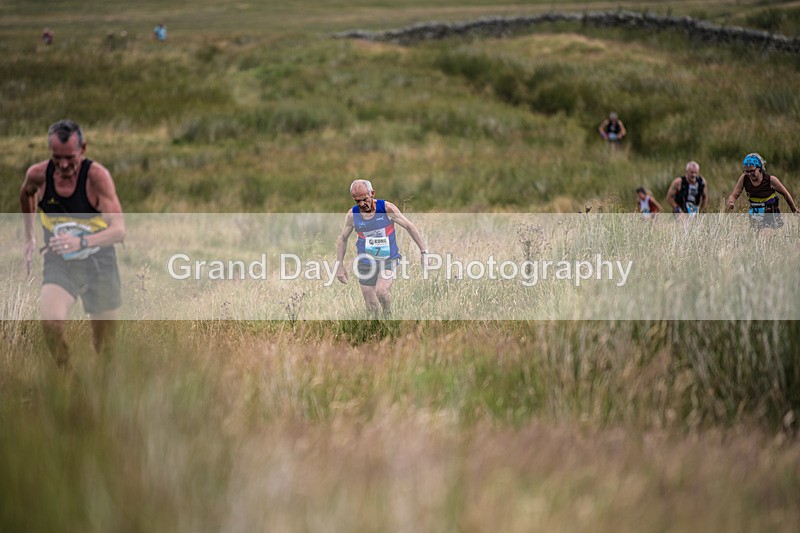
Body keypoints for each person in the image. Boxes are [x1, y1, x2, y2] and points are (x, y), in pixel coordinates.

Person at [20, 120, 126, 368]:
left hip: (99, 261)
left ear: (83, 149)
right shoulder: (38, 175)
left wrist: (81, 241)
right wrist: (29, 237)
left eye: (69, 157)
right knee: (51, 325)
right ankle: (69, 378)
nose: (63, 165)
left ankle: (103, 392)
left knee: (106, 346)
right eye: (57, 158)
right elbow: (26, 193)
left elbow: (119, 230)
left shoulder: (97, 177)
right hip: (60, 261)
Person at [335, 180, 428, 318]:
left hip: (388, 259)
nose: (361, 204)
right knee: (371, 306)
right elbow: (343, 238)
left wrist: (424, 252)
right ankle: (377, 330)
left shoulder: (386, 208)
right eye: (357, 201)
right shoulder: (352, 215)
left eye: (365, 199)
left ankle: (388, 316)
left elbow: (409, 226)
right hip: (365, 262)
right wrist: (340, 265)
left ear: (372, 194)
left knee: (382, 291)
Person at [727, 153, 797, 228]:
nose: (749, 174)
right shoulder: (744, 178)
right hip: (755, 215)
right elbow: (734, 195)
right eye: (746, 171)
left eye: (752, 171)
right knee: (757, 238)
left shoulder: (771, 180)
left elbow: (786, 194)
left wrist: (794, 210)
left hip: (770, 214)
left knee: (765, 236)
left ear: (759, 168)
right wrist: (731, 201)